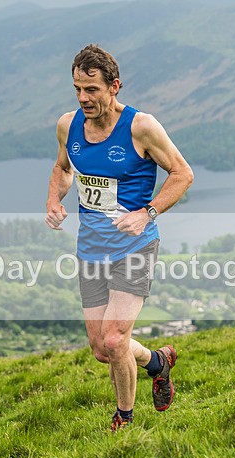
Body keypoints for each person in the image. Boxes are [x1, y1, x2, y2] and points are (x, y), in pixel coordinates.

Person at [45, 44, 194, 432]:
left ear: (114, 86)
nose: (83, 98)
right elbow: (63, 168)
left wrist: (147, 214)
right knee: (101, 349)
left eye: (91, 89)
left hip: (134, 248)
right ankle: (157, 362)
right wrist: (53, 199)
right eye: (77, 88)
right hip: (91, 251)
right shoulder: (68, 125)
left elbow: (182, 174)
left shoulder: (140, 127)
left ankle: (123, 420)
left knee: (114, 341)